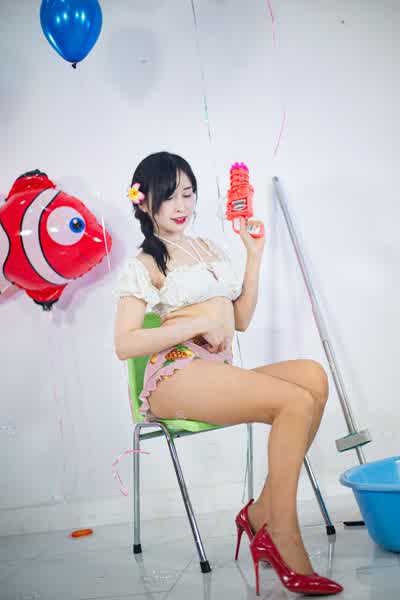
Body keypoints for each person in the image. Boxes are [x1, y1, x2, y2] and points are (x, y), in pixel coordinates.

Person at [113, 151, 343, 596]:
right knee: (293, 401)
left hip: (213, 371)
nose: (181, 205)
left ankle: (259, 514)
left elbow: (240, 320)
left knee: (312, 378)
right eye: (169, 196)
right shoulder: (145, 263)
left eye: (188, 193)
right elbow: (124, 344)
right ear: (143, 202)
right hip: (175, 376)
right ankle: (282, 533)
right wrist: (194, 325)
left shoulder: (207, 248)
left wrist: (253, 255)